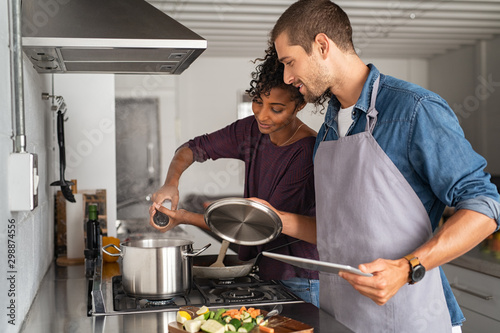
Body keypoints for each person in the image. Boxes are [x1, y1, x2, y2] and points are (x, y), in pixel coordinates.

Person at [250, 0, 500, 332]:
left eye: (290, 62)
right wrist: (275, 219)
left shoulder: (413, 110)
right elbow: (339, 232)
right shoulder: (327, 129)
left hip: (409, 318)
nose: (287, 76)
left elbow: (485, 206)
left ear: (322, 45)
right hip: (341, 316)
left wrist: (408, 267)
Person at [149, 48, 320, 307]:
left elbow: (260, 227)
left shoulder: (305, 152)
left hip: (299, 278)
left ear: (300, 105)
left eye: (276, 109)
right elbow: (192, 149)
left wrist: (184, 217)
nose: (262, 115)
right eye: (258, 101)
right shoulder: (251, 129)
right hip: (266, 269)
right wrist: (170, 183)